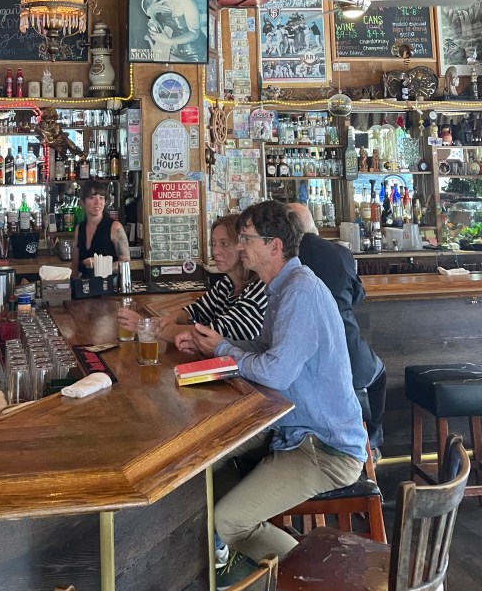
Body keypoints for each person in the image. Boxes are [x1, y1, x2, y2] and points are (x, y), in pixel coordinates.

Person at [175, 201, 366, 585]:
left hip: (325, 449)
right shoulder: (281, 287)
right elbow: (264, 350)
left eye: (246, 238)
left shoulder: (299, 292)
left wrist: (222, 351)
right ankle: (224, 561)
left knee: (230, 519)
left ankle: (321, 579)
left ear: (274, 245)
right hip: (295, 433)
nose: (240, 246)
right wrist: (221, 344)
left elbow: (275, 372)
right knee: (202, 464)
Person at [287, 202, 386, 454]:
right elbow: (357, 296)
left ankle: (362, 449)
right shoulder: (339, 254)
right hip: (350, 355)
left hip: (302, 365)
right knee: (378, 375)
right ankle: (371, 445)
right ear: (312, 223)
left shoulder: (283, 259)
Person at [118, 215, 267, 342]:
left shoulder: (261, 289)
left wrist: (146, 327)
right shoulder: (227, 284)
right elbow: (195, 311)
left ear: (242, 246)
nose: (216, 251)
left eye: (224, 244)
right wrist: (172, 318)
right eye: (213, 244)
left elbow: (213, 335)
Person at [70, 180, 130, 277]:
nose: (97, 202)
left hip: (109, 287)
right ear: (83, 202)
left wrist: (99, 264)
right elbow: (75, 266)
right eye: (92, 197)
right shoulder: (79, 228)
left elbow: (125, 262)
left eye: (101, 198)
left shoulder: (115, 227)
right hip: (84, 287)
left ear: (105, 202)